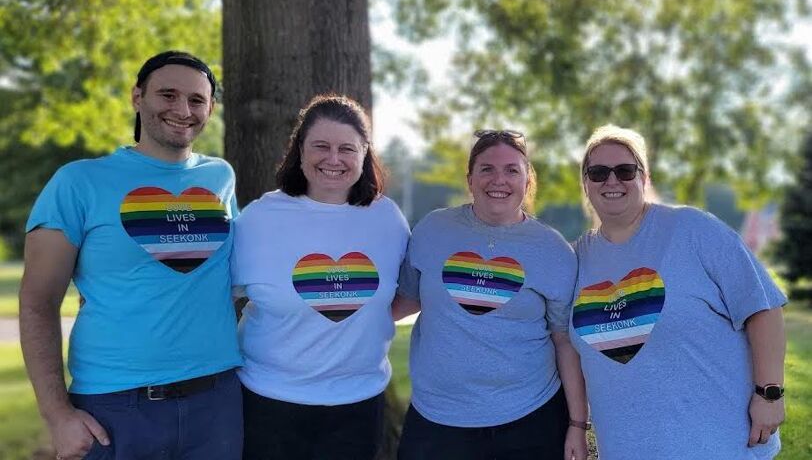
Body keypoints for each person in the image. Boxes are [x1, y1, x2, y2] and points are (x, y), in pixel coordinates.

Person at [19, 51, 243, 460]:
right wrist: (56, 415)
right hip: (114, 406)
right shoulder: (78, 182)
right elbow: (37, 302)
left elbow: (236, 279)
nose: (182, 109)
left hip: (217, 401)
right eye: (168, 95)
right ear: (137, 97)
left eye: (196, 100)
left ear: (211, 107)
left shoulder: (220, 177)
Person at [571, 124, 787, 460]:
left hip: (719, 443)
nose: (611, 181)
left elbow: (763, 308)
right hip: (626, 449)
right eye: (598, 173)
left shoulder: (693, 229)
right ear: (586, 184)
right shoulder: (577, 258)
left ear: (645, 177)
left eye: (625, 170)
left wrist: (770, 394)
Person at [231, 95, 410, 460]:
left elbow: (408, 293)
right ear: (299, 151)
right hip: (267, 404)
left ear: (365, 155)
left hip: (358, 405)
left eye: (347, 148)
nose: (333, 159)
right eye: (321, 146)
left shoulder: (387, 220)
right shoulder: (259, 219)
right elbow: (215, 297)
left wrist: (360, 322)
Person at [395, 130, 588, 460]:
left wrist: (577, 424)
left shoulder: (553, 251)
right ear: (470, 179)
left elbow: (563, 342)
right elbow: (407, 301)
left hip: (530, 420)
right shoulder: (432, 231)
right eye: (487, 169)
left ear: (528, 182)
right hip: (437, 422)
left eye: (512, 170)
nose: (499, 179)